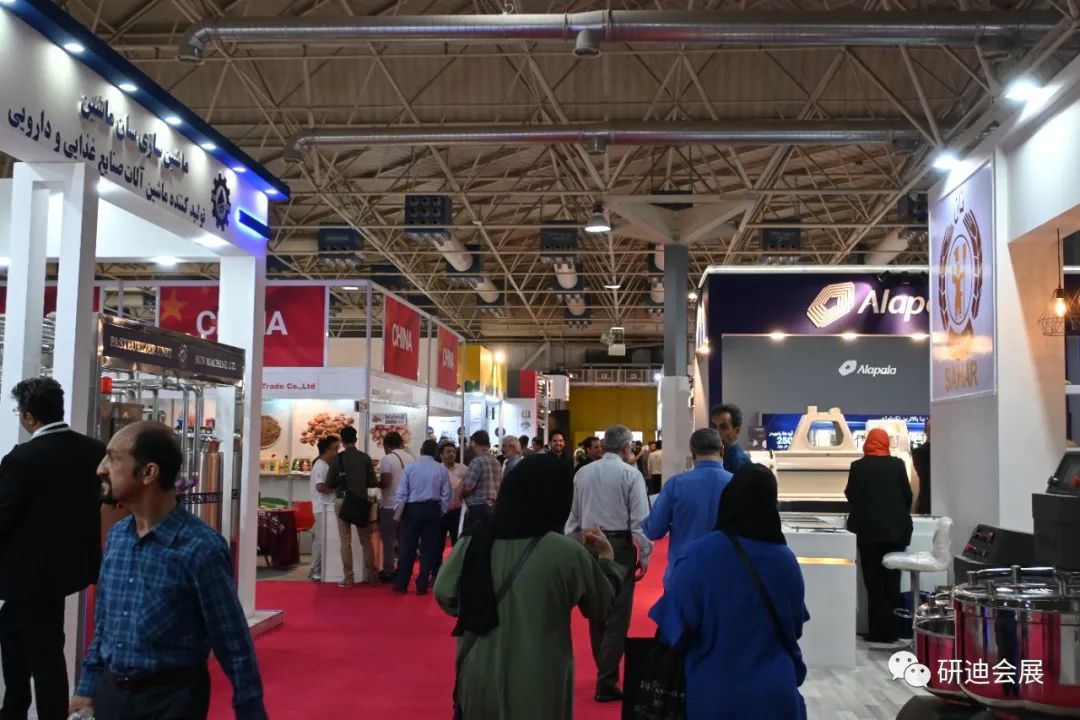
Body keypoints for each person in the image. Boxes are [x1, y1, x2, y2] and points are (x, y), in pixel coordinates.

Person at [68, 422, 266, 720]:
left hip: (171, 702)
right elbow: (105, 624)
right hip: (111, 695)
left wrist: (249, 708)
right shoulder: (118, 537)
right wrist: (87, 687)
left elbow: (231, 638)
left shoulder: (200, 547)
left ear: (149, 472)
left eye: (113, 458)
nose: (100, 468)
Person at [434, 453, 626, 720]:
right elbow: (601, 607)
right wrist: (606, 561)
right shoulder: (566, 552)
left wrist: (479, 604)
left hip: (480, 673)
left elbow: (444, 593)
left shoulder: (473, 540)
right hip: (539, 680)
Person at [650, 464, 809, 720]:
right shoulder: (786, 560)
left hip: (716, 693)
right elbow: (796, 626)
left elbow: (674, 627)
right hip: (777, 695)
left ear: (728, 500)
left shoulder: (699, 555)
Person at [0, 378, 105, 720]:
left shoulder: (22, 458)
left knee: (43, 656)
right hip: (69, 569)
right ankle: (13, 709)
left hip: (27, 576)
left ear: (29, 416)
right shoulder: (93, 450)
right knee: (18, 637)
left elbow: (4, 517)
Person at [565, 425, 652, 702]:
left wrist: (574, 546)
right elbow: (639, 521)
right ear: (627, 447)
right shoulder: (631, 474)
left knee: (596, 611)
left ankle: (605, 674)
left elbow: (573, 518)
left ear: (603, 446)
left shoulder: (583, 473)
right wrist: (645, 554)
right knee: (618, 615)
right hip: (619, 546)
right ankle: (605, 679)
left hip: (589, 542)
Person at [845, 428, 913, 647]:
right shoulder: (897, 465)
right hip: (896, 531)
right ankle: (893, 629)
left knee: (873, 581)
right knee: (892, 580)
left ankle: (879, 631)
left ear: (868, 443)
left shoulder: (858, 466)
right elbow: (908, 495)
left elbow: (850, 494)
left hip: (868, 532)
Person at [642, 428, 733, 583]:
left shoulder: (676, 484)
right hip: (725, 573)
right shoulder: (737, 483)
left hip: (684, 572)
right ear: (722, 450)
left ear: (692, 452)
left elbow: (653, 530)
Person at [394, 439, 452, 595]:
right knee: (429, 549)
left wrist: (398, 512)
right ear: (436, 453)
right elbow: (446, 494)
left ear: (421, 451)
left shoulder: (410, 467)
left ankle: (402, 584)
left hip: (412, 509)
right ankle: (422, 585)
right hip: (433, 509)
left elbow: (402, 492)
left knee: (408, 547)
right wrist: (441, 511)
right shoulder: (441, 469)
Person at [325, 426, 378, 587]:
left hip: (342, 501)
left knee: (345, 540)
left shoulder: (338, 458)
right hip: (361, 502)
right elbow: (373, 482)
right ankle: (372, 576)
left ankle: (348, 578)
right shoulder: (365, 457)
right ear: (356, 439)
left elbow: (329, 483)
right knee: (366, 540)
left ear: (342, 440)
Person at [377, 432, 415, 582]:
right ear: (401, 443)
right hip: (407, 505)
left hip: (390, 505)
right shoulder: (411, 458)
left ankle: (388, 571)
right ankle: (403, 569)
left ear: (386, 446)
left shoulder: (388, 458)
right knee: (404, 539)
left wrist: (375, 482)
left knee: (389, 539)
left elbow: (386, 482)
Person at [434, 441, 469, 578]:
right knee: (437, 545)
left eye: (454, 452)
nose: (451, 454)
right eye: (448, 452)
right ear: (441, 454)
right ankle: (436, 574)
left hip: (457, 512)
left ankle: (456, 574)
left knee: (457, 544)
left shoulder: (463, 469)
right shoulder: (436, 469)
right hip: (440, 512)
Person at [308, 434, 341, 582]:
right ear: (327, 449)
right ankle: (315, 569)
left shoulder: (326, 465)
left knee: (323, 539)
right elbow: (320, 487)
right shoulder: (320, 465)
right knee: (321, 540)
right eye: (335, 448)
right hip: (321, 507)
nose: (336, 452)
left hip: (326, 507)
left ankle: (319, 568)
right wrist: (336, 489)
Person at [461, 430, 502, 531]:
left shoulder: (477, 461)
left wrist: (460, 495)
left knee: (473, 537)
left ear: (473, 443)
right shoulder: (497, 462)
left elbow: (468, 488)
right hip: (493, 507)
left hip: (478, 508)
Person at [709, 403, 752, 474]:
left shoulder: (739, 462)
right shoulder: (718, 457)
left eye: (724, 427)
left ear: (737, 431)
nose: (717, 432)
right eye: (713, 427)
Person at [912, 420, 931, 514]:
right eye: (930, 429)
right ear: (925, 431)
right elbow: (925, 475)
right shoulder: (919, 452)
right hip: (927, 502)